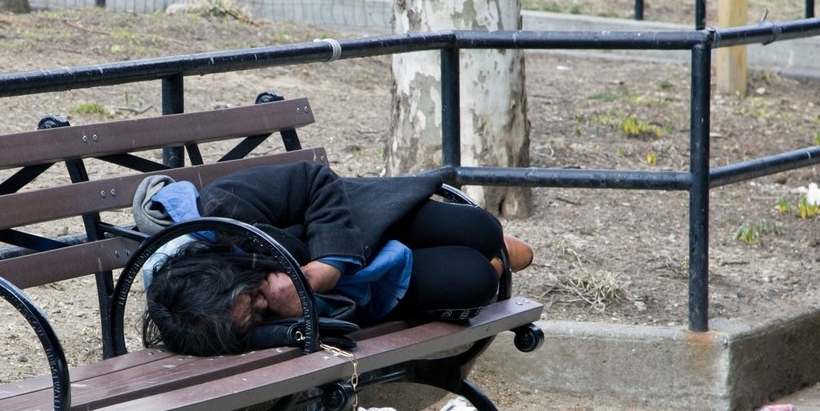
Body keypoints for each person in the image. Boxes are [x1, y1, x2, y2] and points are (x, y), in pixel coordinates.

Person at [138, 162, 532, 356]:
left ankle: (496, 245)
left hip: (362, 222)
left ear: (225, 272)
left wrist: (325, 265)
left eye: (253, 297)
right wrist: (297, 310)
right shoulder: (207, 324)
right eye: (256, 316)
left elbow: (314, 181)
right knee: (474, 280)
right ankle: (492, 259)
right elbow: (259, 333)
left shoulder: (226, 208)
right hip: (369, 286)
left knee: (480, 228)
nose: (264, 305)